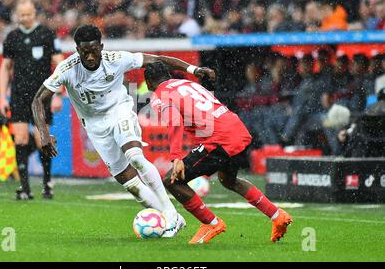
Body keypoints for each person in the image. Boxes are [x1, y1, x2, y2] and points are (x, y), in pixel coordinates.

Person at [32, 24, 215, 237]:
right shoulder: (67, 69)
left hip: (120, 111)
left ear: (101, 46)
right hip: (94, 126)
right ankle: (170, 216)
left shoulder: (116, 59)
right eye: (84, 52)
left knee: (135, 157)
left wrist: (193, 70)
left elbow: (157, 59)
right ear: (77, 49)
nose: (90, 57)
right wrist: (44, 133)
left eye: (94, 50)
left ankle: (170, 215)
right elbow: (38, 99)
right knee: (130, 182)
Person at [144, 61, 293, 244]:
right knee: (229, 180)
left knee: (172, 180)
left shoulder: (159, 95)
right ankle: (277, 215)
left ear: (150, 83)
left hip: (219, 139)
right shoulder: (189, 84)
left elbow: (174, 122)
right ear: (168, 75)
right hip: (237, 129)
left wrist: (176, 158)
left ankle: (210, 223)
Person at [0, 0, 64, 200]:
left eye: (28, 14)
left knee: (41, 139)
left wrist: (58, 93)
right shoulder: (12, 36)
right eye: (22, 15)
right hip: (18, 95)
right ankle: (24, 187)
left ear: (34, 13)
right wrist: (3, 97)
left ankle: (46, 184)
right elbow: (5, 67)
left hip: (41, 95)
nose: (25, 18)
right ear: (17, 15)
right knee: (20, 138)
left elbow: (60, 64)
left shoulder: (46, 34)